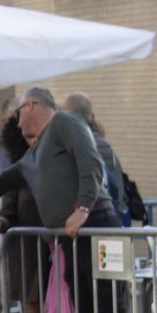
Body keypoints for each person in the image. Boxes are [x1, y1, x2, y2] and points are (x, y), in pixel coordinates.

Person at [0, 87, 155, 313]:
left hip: (98, 227)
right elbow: (1, 183)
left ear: (31, 105)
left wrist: (83, 206)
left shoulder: (65, 122)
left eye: (19, 113)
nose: (17, 123)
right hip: (72, 239)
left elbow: (90, 160)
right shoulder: (35, 154)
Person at [0, 105, 63, 313]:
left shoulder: (55, 163)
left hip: (52, 250)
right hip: (26, 252)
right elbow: (7, 211)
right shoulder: (19, 168)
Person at [61, 92, 130, 227]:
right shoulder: (105, 147)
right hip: (114, 218)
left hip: (91, 221)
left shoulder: (75, 148)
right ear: (91, 117)